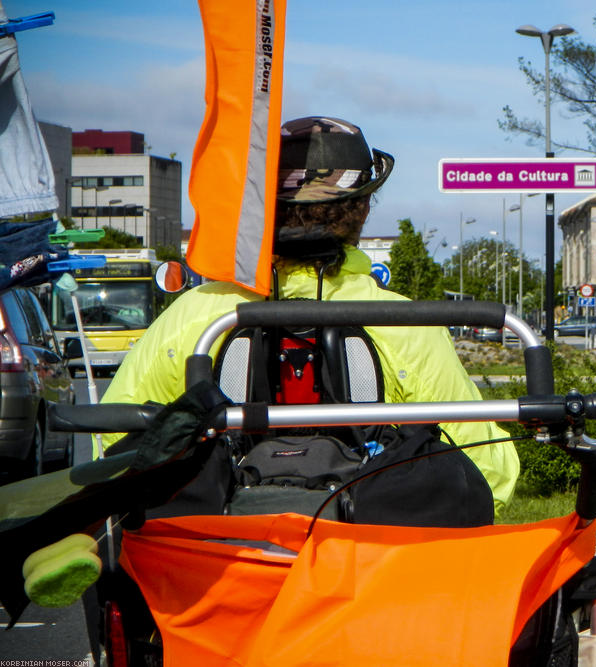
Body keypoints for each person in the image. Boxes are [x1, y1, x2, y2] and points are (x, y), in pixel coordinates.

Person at [99, 116, 519, 512]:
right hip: (364, 564)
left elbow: (112, 443)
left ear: (264, 209)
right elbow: (489, 473)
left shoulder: (193, 316)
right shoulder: (406, 324)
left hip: (219, 562)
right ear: (362, 210)